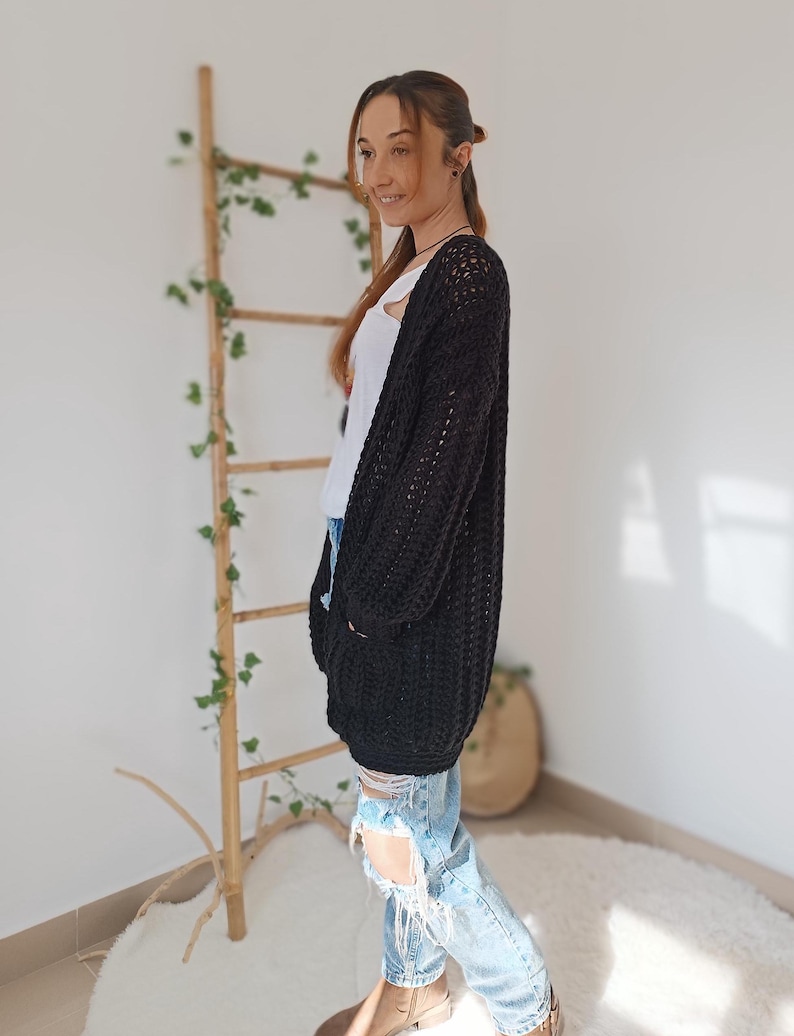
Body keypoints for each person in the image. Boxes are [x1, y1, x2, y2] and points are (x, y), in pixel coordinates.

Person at [308, 71, 563, 1036]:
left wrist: (372, 605)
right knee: (416, 809)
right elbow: (369, 451)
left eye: (401, 148)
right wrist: (340, 579)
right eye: (365, 150)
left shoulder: (466, 275)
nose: (377, 171)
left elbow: (439, 468)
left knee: (404, 837)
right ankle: (414, 986)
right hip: (364, 566)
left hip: (404, 588)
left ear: (460, 152)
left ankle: (528, 1008)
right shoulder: (407, 277)